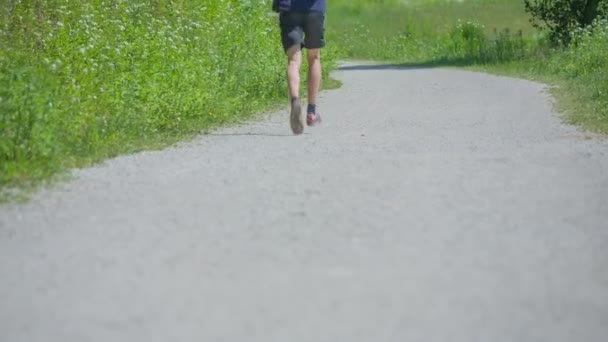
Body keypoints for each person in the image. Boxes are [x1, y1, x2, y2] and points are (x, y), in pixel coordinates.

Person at [273, 0, 326, 135]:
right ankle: (311, 112)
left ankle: (295, 100)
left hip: (290, 9)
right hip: (314, 9)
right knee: (314, 57)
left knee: (294, 60)